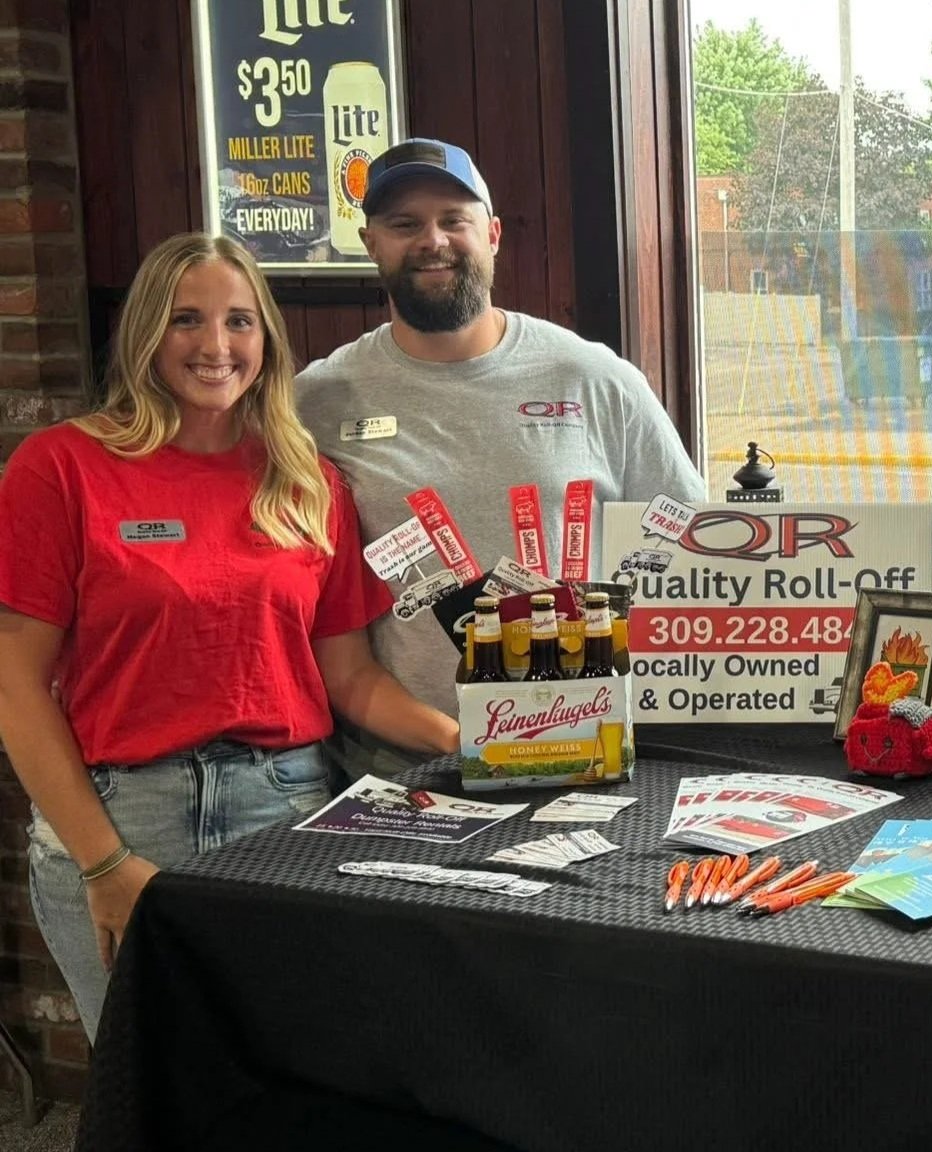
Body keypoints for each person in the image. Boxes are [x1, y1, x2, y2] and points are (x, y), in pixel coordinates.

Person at [0, 234, 460, 1038]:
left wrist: (480, 745)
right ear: (146, 333)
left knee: (281, 1084)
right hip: (119, 816)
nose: (215, 346)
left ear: (267, 341)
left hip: (282, 810)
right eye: (187, 320)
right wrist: (104, 864)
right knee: (147, 1091)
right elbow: (14, 682)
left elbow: (348, 679)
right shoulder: (62, 468)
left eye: (239, 322)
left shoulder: (306, 480)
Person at [296, 139, 707, 778]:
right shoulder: (315, 401)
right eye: (405, 224)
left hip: (590, 750)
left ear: (491, 235)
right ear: (370, 242)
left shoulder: (594, 377)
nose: (432, 240)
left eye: (453, 220)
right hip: (404, 772)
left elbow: (689, 546)